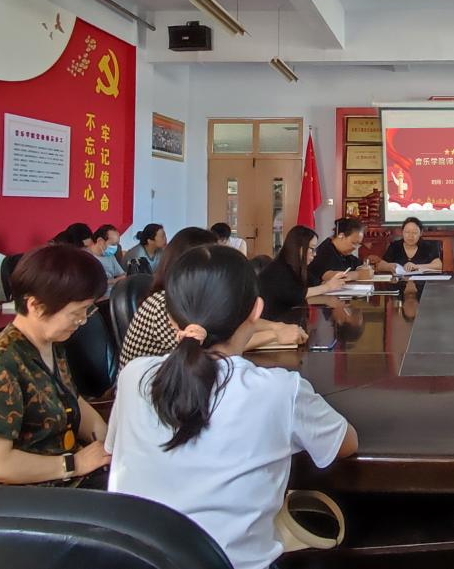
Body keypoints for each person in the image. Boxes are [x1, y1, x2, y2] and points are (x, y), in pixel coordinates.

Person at [106, 245, 358, 569]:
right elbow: (345, 444)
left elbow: (117, 453)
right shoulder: (279, 390)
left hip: (132, 561)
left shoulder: (134, 377)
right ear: (257, 310)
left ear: (171, 317)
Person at [0, 244, 111, 486]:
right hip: (3, 495)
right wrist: (73, 464)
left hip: (54, 476)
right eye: (76, 312)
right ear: (35, 306)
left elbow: (70, 400)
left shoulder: (51, 345)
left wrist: (108, 444)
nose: (82, 320)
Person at [119, 228, 307, 367]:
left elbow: (231, 323)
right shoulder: (164, 303)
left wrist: (277, 326)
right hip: (148, 394)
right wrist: (274, 335)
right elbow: (211, 348)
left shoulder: (193, 297)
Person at [258, 226, 348, 318]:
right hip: (273, 321)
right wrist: (327, 287)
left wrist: (331, 283)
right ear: (299, 248)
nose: (315, 254)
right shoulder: (279, 269)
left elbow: (314, 283)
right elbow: (295, 295)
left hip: (290, 316)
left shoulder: (298, 267)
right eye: (312, 249)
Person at [374, 217, 442, 274]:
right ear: (402, 232)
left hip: (423, 284)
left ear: (421, 233)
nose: (410, 236)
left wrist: (417, 266)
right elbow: (380, 265)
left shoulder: (428, 246)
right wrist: (389, 266)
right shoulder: (395, 246)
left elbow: (439, 266)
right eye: (407, 232)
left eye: (414, 232)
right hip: (398, 283)